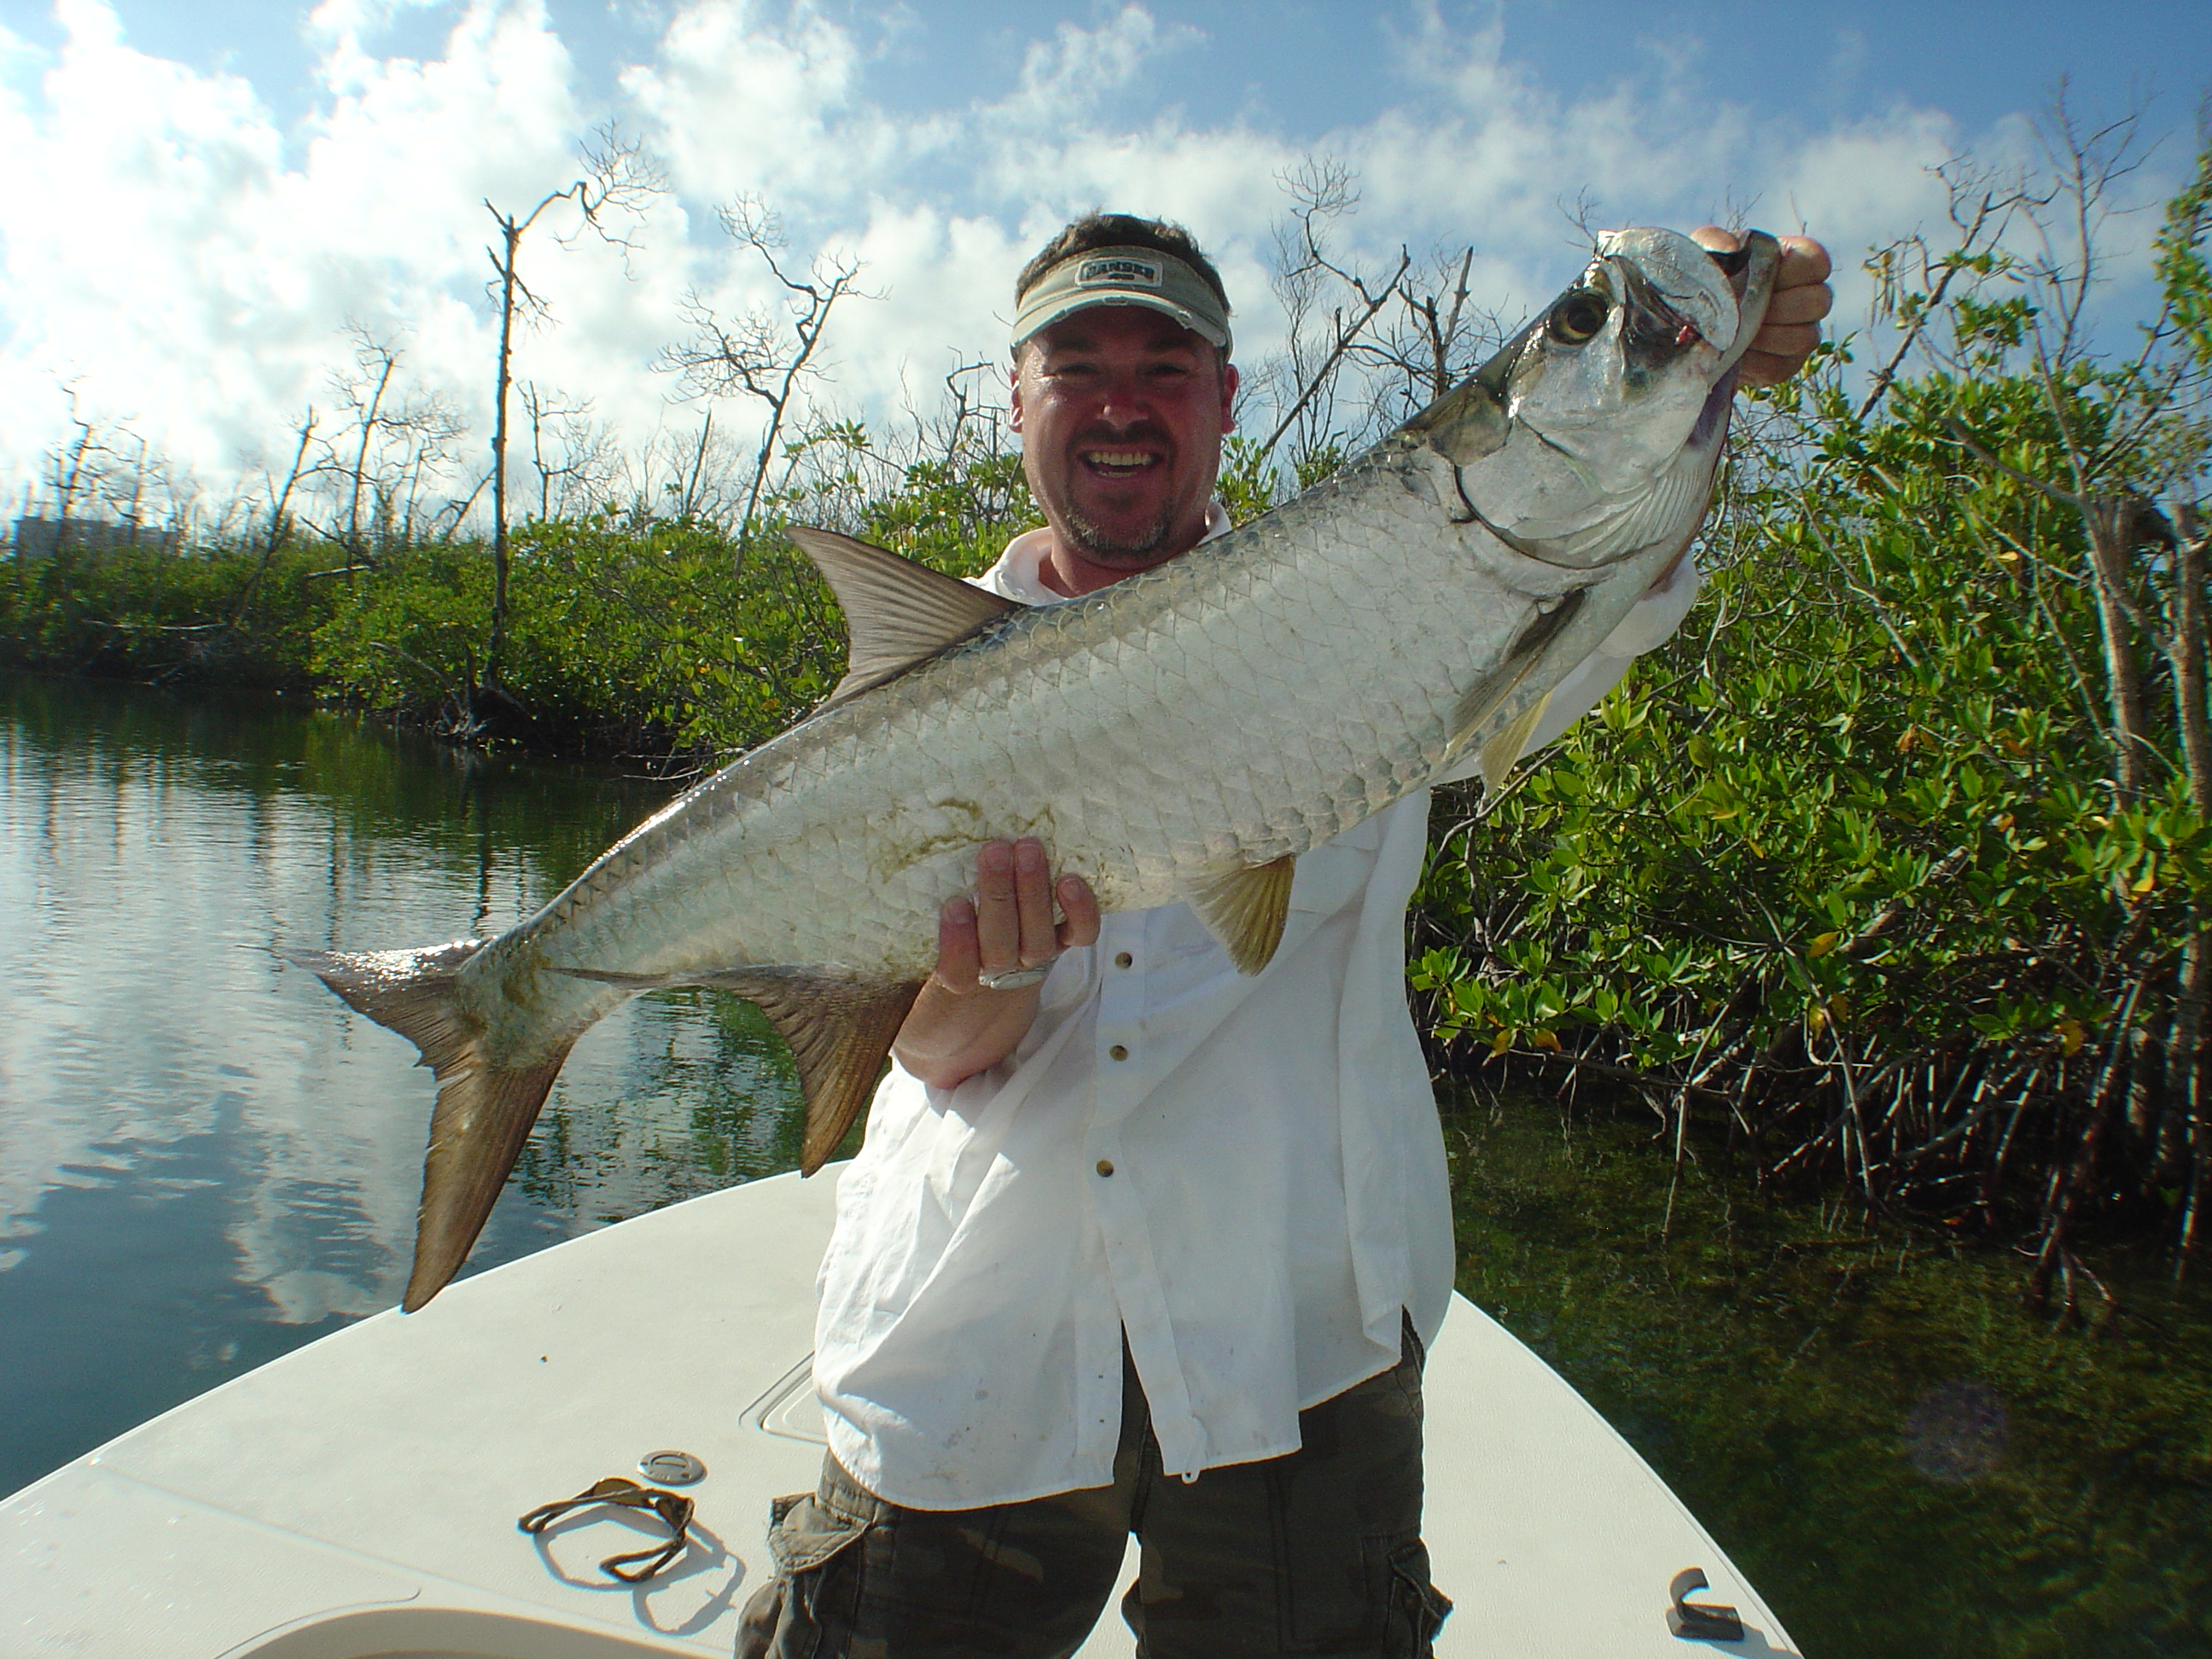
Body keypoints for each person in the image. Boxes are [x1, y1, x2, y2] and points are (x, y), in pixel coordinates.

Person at [740, 212, 1833, 1659]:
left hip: (1299, 1334)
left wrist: (1697, 384)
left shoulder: (1389, 593)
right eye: (1079, 364)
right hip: (977, 1329)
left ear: (1228, 400)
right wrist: (988, 969)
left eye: (1169, 364)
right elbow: (930, 1059)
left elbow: (1603, 591)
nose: (1125, 400)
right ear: (1015, 401)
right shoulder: (913, 708)